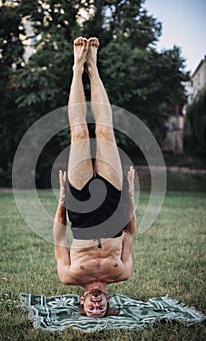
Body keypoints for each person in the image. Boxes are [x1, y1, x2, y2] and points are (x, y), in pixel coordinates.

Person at [53, 37, 136, 318]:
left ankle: (78, 68)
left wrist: (63, 202)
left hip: (82, 214)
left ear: (82, 302)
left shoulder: (70, 275)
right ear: (108, 303)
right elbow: (131, 233)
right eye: (101, 309)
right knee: (105, 133)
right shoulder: (121, 272)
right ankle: (94, 68)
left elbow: (59, 238)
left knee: (78, 134)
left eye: (91, 308)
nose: (96, 305)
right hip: (114, 212)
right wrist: (130, 198)